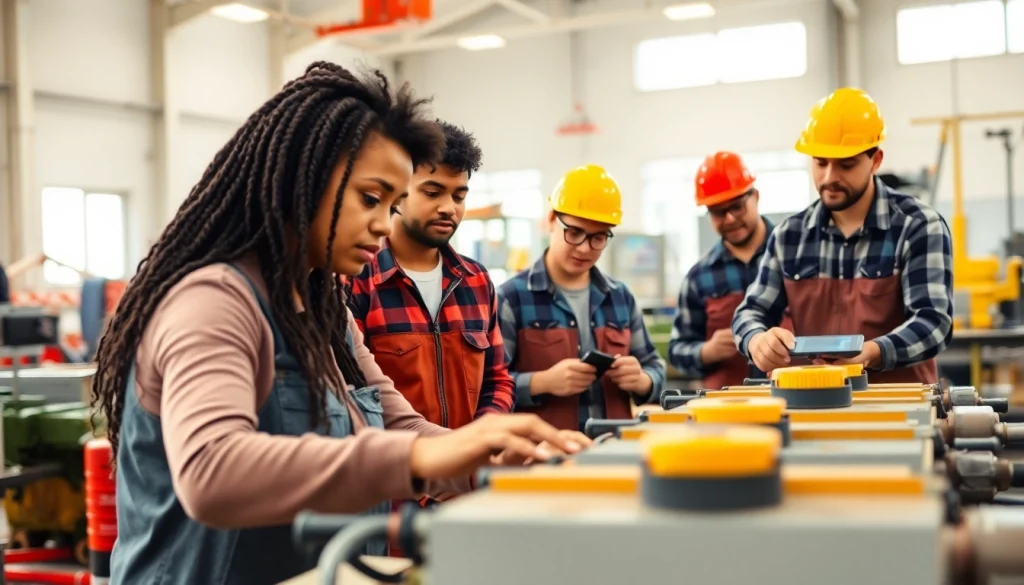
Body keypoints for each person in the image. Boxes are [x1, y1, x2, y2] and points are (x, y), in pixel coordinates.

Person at [90, 63, 585, 585]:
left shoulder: (325, 313)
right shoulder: (213, 301)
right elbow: (212, 470)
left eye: (393, 205)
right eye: (370, 198)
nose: (384, 224)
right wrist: (422, 455)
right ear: (300, 179)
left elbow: (399, 425)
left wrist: (499, 458)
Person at [732, 88, 954, 383]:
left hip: (900, 404)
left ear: (876, 160)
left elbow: (933, 322)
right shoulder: (789, 237)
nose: (829, 177)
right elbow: (750, 312)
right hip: (817, 401)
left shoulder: (918, 227)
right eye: (820, 162)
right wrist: (756, 340)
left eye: (846, 165)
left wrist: (873, 352)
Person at [348, 120, 515, 432]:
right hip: (396, 460)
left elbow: (497, 380)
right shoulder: (357, 280)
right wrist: (440, 448)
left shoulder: (477, 280)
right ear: (397, 190)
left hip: (471, 460)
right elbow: (357, 394)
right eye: (432, 192)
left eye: (459, 197)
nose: (448, 208)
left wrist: (480, 437)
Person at [497, 164, 666, 433]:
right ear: (551, 220)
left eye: (598, 237)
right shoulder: (510, 299)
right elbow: (489, 388)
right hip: (543, 453)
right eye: (574, 233)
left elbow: (655, 366)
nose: (585, 248)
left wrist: (643, 380)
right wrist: (542, 382)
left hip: (614, 449)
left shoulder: (620, 297)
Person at [668, 151, 793, 389]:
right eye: (718, 212)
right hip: (727, 403)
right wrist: (706, 351)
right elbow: (677, 350)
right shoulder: (699, 278)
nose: (730, 218)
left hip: (793, 395)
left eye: (737, 206)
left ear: (756, 197)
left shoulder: (794, 255)